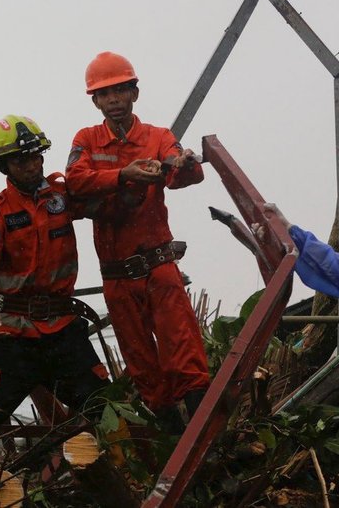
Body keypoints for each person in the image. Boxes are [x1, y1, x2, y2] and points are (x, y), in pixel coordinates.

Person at [0, 115, 110, 482]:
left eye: (36, 156)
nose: (31, 164)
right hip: (12, 336)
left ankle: (136, 478)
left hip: (63, 328)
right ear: (4, 166)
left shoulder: (63, 196)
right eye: (21, 160)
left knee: (105, 403)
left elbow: (102, 201)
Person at [65, 51, 210, 428]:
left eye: (119, 91)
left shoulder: (158, 138)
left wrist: (186, 164)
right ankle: (172, 442)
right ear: (95, 101)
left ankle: (209, 442)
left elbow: (181, 175)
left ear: (134, 94)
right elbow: (74, 181)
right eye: (105, 94)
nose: (113, 100)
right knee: (142, 365)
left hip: (158, 268)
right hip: (116, 277)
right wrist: (123, 176)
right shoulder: (86, 139)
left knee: (185, 355)